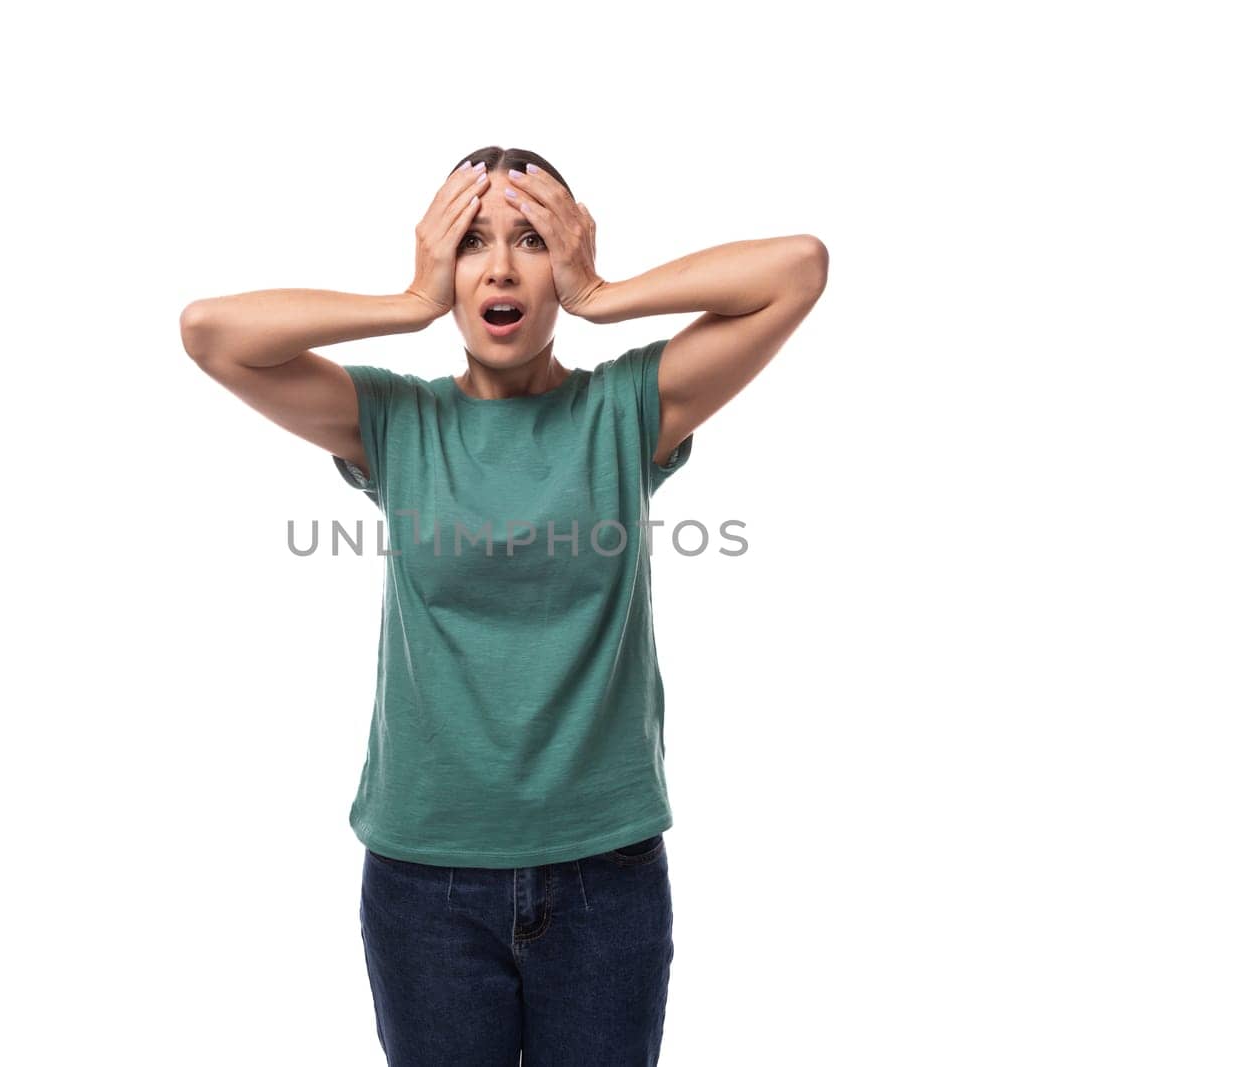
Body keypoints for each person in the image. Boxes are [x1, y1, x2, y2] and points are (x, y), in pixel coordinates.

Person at [180, 145, 829, 1065]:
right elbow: (210, 332)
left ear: (562, 255)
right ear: (444, 263)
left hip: (606, 875)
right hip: (424, 882)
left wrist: (602, 291)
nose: (499, 268)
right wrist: (406, 303)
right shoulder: (398, 421)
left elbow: (798, 266)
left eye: (530, 239)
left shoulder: (626, 409)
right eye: (472, 241)